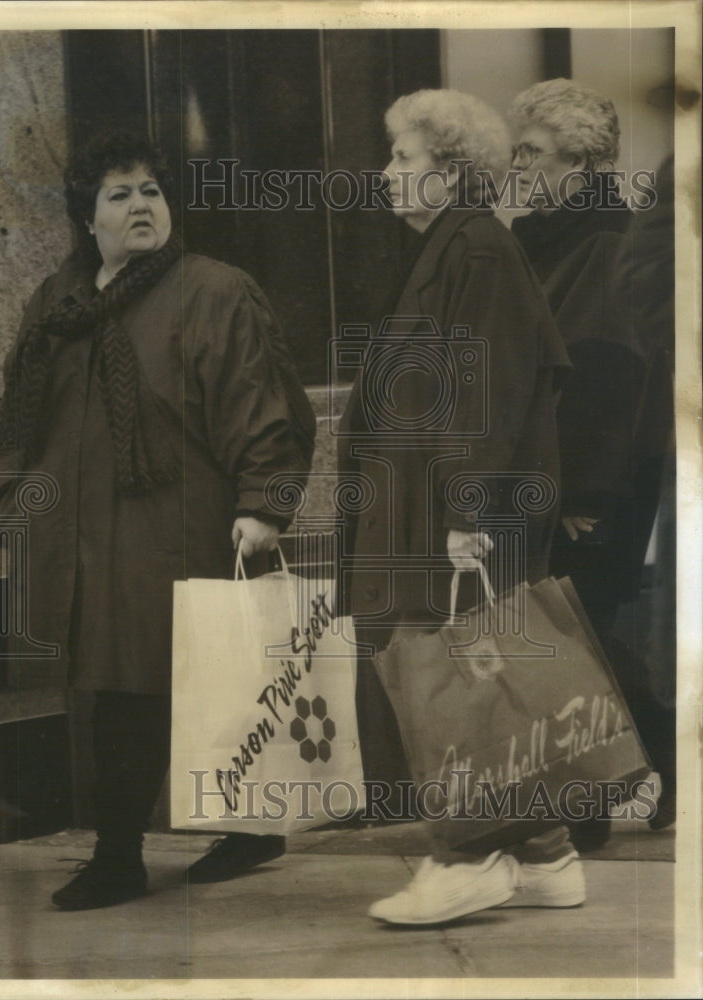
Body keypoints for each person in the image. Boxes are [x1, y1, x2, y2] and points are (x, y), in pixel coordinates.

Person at [0, 132, 316, 910]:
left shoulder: (213, 290)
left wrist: (263, 505)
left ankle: (117, 856)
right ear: (88, 217)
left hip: (179, 524)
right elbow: (22, 412)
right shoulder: (60, 300)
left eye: (151, 192)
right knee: (128, 683)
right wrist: (15, 497)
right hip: (82, 532)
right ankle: (248, 829)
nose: (141, 207)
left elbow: (262, 401)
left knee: (136, 686)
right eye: (119, 195)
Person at [337, 89, 579, 926]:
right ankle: (545, 855)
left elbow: (489, 386)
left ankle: (469, 858)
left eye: (403, 160)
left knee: (451, 685)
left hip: (451, 520)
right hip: (441, 512)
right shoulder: (462, 247)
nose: (387, 174)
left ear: (451, 173)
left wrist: (465, 511)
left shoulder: (472, 248)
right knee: (484, 679)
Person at [508, 80, 676, 842]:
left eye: (532, 152)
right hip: (555, 471)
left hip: (590, 477)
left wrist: (585, 493)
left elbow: (609, 370)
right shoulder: (543, 237)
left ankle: (642, 768)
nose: (518, 165)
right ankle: (611, 788)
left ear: (580, 162)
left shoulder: (603, 238)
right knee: (571, 635)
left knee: (584, 635)